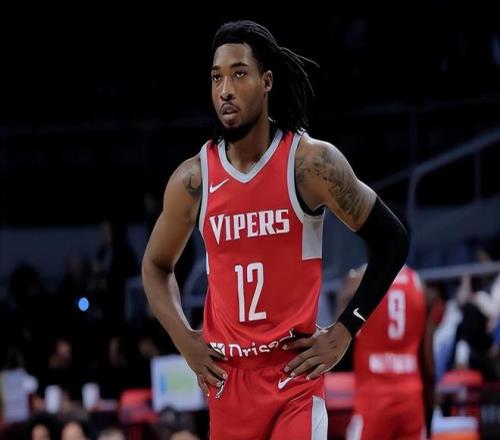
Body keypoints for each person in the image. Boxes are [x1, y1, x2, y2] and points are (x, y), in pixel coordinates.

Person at [142, 20, 409, 439]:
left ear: (266, 82)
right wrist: (184, 339)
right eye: (216, 77)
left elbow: (392, 240)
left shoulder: (310, 164)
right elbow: (155, 266)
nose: (225, 90)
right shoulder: (194, 179)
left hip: (294, 377)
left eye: (239, 74)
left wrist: (345, 330)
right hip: (229, 381)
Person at [342, 265, 435, 440]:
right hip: (411, 396)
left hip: (373, 398)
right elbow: (428, 359)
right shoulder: (419, 284)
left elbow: (335, 343)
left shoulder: (356, 280)